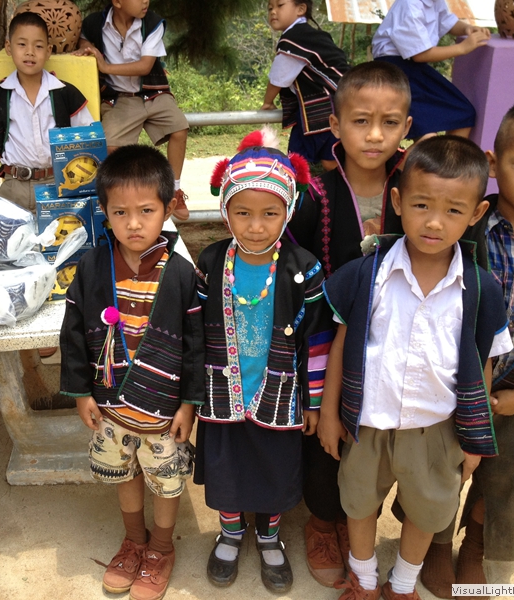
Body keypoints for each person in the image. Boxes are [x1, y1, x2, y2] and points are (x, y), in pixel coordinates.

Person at [319, 136, 513, 600]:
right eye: (422, 204)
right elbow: (341, 344)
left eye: (453, 210)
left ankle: (403, 585)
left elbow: (483, 363)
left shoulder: (480, 289)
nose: (434, 221)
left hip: (436, 430)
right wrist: (328, 412)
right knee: (358, 504)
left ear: (476, 213)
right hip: (367, 424)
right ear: (397, 202)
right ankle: (364, 580)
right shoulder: (367, 274)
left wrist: (474, 437)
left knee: (428, 511)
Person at [418, 98, 514, 597]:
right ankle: (437, 543)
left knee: (505, 476)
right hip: (456, 382)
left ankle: (475, 544)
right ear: (494, 163)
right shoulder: (467, 225)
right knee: (448, 465)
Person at [284, 60, 412, 587]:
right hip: (325, 343)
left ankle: (356, 521)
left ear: (407, 127)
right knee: (324, 436)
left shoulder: (416, 189)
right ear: (335, 125)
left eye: (389, 122)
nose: (375, 135)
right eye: (361, 121)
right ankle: (321, 521)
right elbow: (293, 273)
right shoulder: (315, 195)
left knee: (375, 440)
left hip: (396, 343)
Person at [58, 145, 204, 600]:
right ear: (104, 212)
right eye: (120, 212)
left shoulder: (182, 274)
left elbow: (196, 346)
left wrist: (188, 403)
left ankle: (160, 548)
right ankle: (134, 541)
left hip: (162, 411)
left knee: (165, 480)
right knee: (124, 474)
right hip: (111, 407)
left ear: (167, 208)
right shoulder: (91, 267)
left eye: (146, 211)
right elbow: (73, 332)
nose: (134, 223)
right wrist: (81, 391)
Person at [194, 128, 334, 594]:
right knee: (227, 467)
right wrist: (190, 396)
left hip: (281, 395)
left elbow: (317, 340)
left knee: (274, 467)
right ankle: (231, 532)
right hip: (221, 394)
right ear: (225, 210)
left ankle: (270, 536)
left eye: (270, 213)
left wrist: (314, 402)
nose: (256, 226)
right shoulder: (211, 263)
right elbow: (194, 333)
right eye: (243, 212)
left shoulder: (304, 267)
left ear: (288, 210)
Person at [76, 0, 191, 220]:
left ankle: (174, 188)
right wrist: (87, 47)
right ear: (117, 2)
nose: (145, 1)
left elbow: (145, 66)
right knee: (110, 146)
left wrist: (106, 67)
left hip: (153, 93)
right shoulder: (95, 23)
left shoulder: (153, 23)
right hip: (120, 98)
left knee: (179, 128)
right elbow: (83, 39)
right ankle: (122, 197)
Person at [0, 11, 94, 212]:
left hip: (57, 183)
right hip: (14, 185)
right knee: (15, 232)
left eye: (38, 46)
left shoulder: (65, 93)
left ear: (48, 50)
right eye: (22, 44)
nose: (30, 52)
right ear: (9, 47)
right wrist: (5, 159)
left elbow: (87, 136)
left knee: (58, 232)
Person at [372, 0, 491, 140]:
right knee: (427, 135)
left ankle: (450, 155)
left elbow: (448, 22)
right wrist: (462, 48)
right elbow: (420, 55)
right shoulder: (409, 5)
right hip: (393, 70)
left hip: (414, 68)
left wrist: (467, 28)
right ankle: (415, 154)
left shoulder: (435, 2)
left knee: (464, 114)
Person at [262, 0, 349, 172]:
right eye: (270, 8)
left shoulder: (293, 39)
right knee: (304, 158)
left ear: (301, 9)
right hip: (337, 101)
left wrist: (267, 102)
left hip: (325, 107)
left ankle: (340, 186)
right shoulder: (309, 36)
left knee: (323, 160)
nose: (273, 12)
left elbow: (278, 78)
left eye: (280, 5)